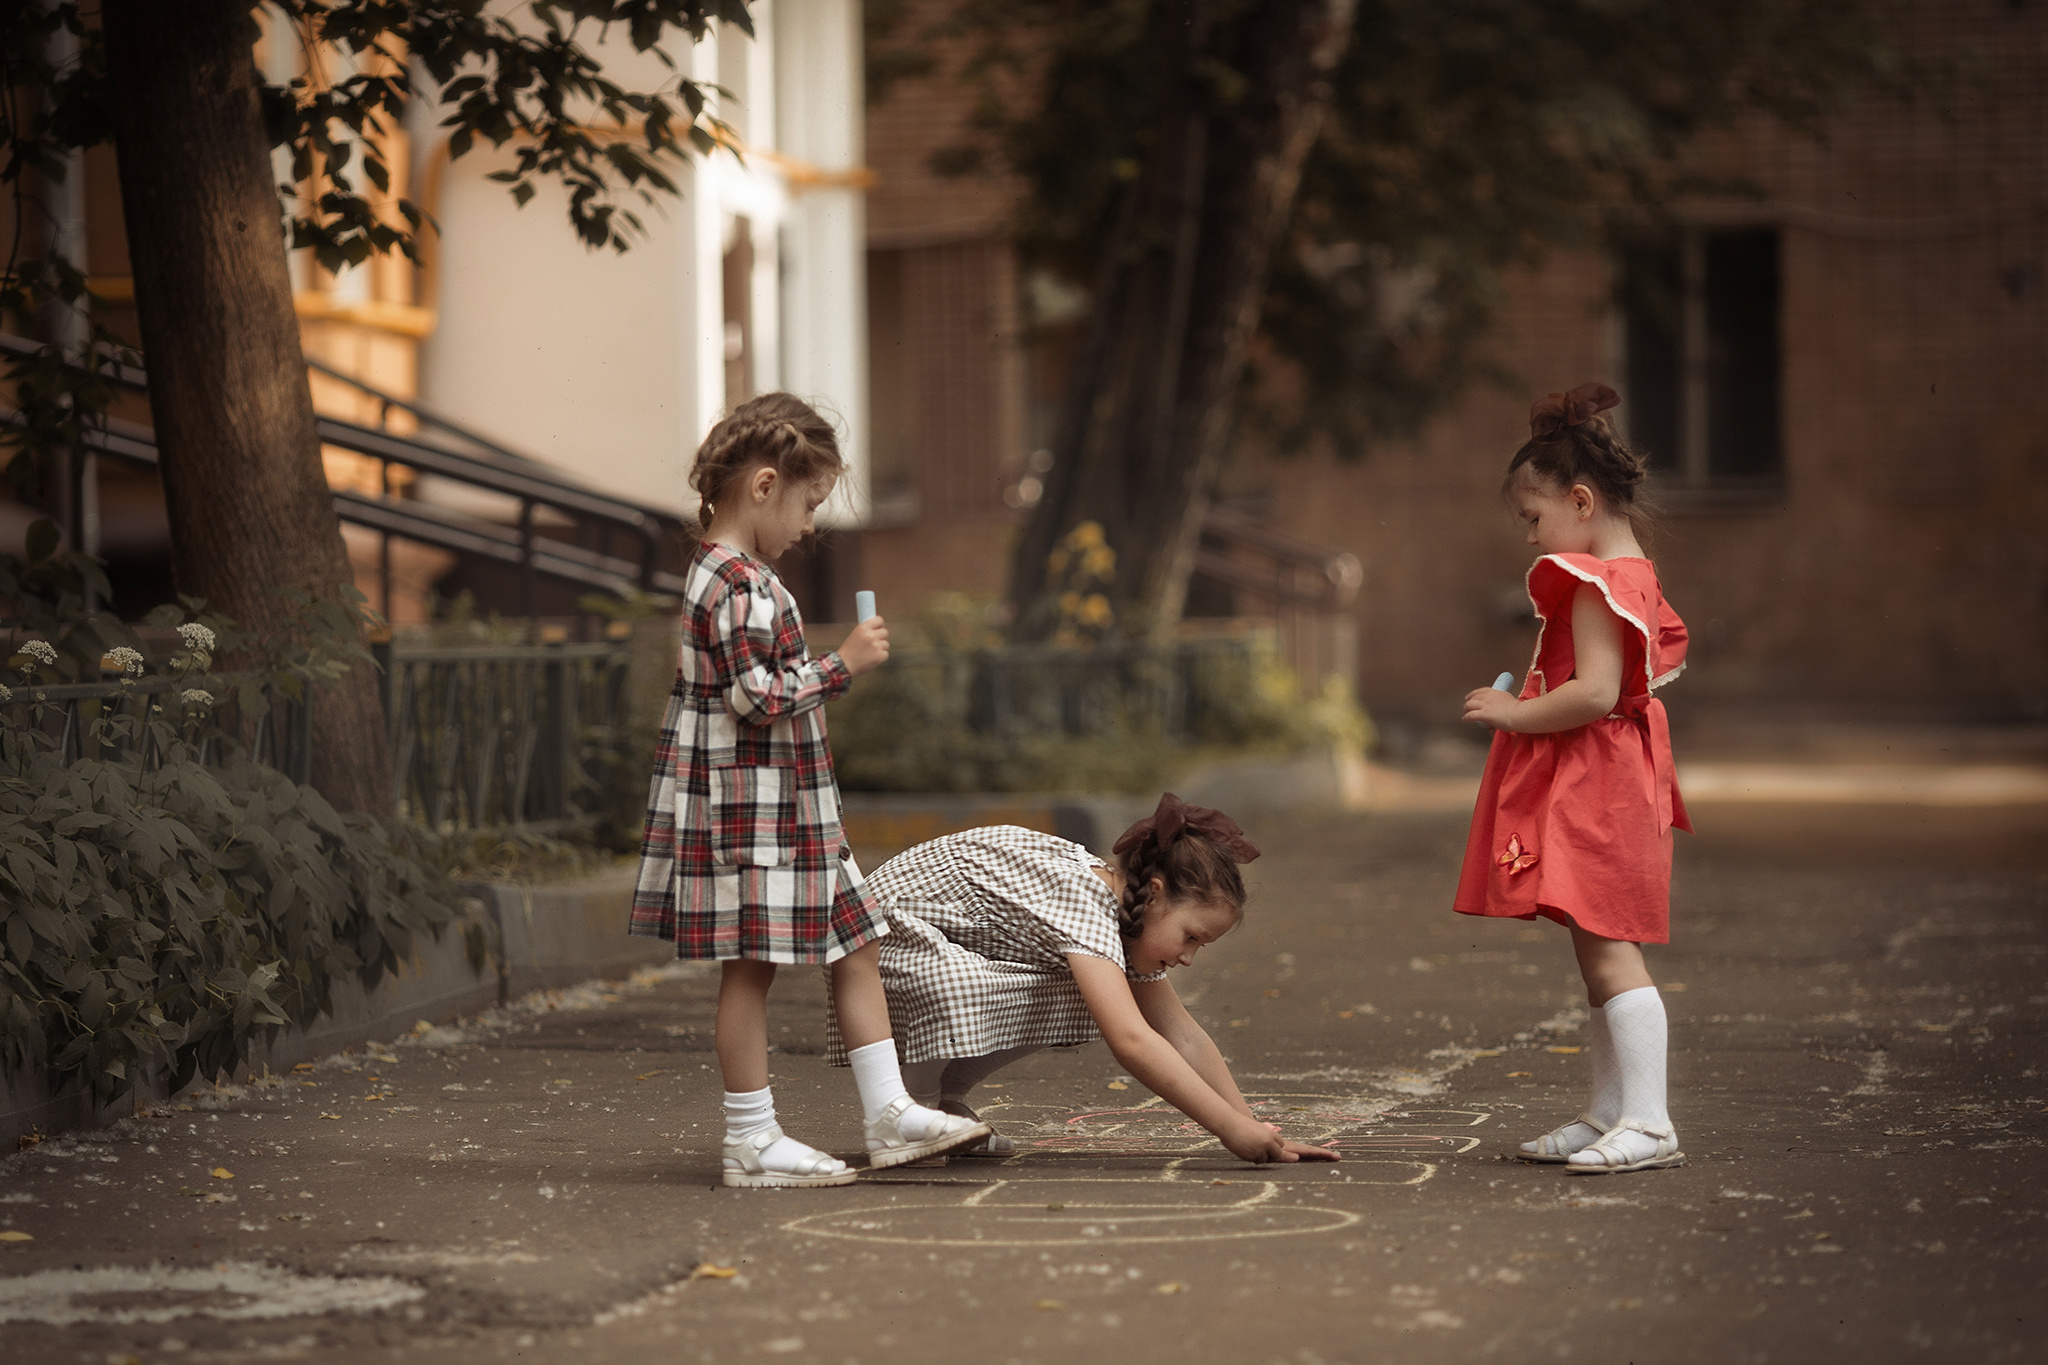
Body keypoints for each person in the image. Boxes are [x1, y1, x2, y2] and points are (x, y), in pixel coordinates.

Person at [629, 392, 988, 1188]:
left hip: (786, 813)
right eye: (808, 503)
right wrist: (843, 664)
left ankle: (889, 1109)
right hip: (751, 814)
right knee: (749, 968)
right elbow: (754, 697)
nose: (810, 526)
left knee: (856, 940)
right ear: (763, 486)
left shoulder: (734, 574)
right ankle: (751, 1138)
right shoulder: (735, 582)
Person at [825, 793, 1342, 1166]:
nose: (1188, 958)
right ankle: (907, 1111)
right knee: (1096, 1000)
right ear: (1156, 893)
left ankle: (944, 1105)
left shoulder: (1122, 916)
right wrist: (1228, 1130)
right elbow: (1133, 1041)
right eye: (1191, 937)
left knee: (1095, 991)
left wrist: (1250, 1122)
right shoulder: (1088, 905)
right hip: (885, 943)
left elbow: (1179, 1031)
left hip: (936, 942)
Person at [1456, 382, 1692, 1175]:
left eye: (1533, 517)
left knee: (1613, 953)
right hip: (1616, 776)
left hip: (1602, 784)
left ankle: (1650, 1121)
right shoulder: (1633, 575)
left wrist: (1508, 711)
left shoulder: (1595, 582)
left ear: (1581, 500)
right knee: (1599, 953)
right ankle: (1609, 1111)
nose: (1530, 538)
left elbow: (1593, 693)